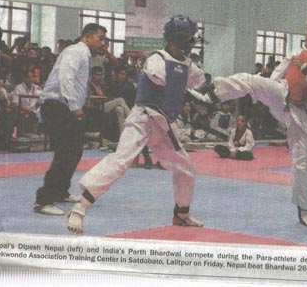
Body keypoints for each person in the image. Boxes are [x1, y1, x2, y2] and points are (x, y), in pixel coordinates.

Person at [67, 16, 206, 233]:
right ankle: (79, 208)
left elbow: (201, 81)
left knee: (186, 168)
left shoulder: (186, 64)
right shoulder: (157, 59)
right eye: (189, 40)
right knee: (121, 160)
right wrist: (184, 80)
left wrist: (208, 94)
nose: (191, 45)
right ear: (178, 39)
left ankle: (181, 214)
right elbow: (163, 78)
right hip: (142, 120)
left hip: (164, 124)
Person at [203, 16, 307, 227]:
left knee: (302, 165)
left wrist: (306, 68)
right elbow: (275, 77)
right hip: (285, 99)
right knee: (252, 80)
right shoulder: (296, 53)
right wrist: (264, 94)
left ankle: (304, 210)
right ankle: (212, 96)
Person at [33, 23, 107, 216]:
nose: (103, 43)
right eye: (100, 38)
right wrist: (75, 108)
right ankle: (43, 200)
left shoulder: (85, 55)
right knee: (65, 151)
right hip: (58, 106)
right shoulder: (76, 51)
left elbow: (76, 82)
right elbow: (66, 78)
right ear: (87, 37)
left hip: (64, 106)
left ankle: (60, 191)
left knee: (74, 150)